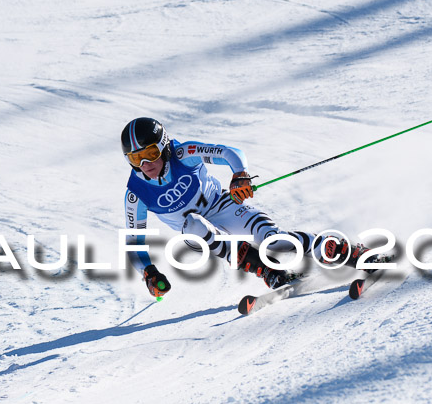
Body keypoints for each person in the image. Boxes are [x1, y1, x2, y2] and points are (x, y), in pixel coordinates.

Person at [122, 117, 372, 298]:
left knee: (275, 242)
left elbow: (230, 153)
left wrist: (239, 174)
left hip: (223, 205)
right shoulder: (136, 194)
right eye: (135, 158)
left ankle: (346, 251)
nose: (144, 163)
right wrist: (149, 272)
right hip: (195, 234)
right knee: (194, 224)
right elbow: (134, 242)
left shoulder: (182, 153)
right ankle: (266, 269)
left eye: (151, 153)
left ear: (164, 145)